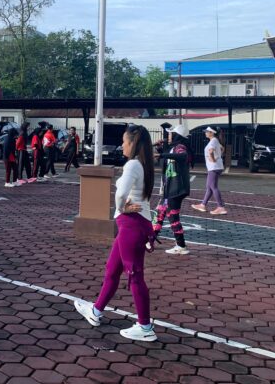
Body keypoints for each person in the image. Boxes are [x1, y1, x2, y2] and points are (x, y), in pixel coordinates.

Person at [74, 125, 158, 342]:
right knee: (112, 269)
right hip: (134, 225)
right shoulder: (143, 164)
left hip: (132, 225)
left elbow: (121, 194)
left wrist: (121, 208)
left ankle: (145, 327)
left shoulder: (133, 164)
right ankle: (96, 311)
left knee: (135, 276)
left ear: (133, 143)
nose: (122, 145)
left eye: (124, 141)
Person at [154, 125, 192, 255]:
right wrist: (160, 149)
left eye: (171, 134)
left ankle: (181, 245)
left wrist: (162, 154)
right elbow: (167, 162)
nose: (168, 136)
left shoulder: (180, 147)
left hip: (176, 188)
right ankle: (151, 239)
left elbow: (183, 156)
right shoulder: (172, 148)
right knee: (160, 212)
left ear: (177, 136)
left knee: (172, 215)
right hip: (169, 188)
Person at [192, 127, 227, 215]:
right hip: (215, 166)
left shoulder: (213, 141)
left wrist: (213, 159)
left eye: (207, 131)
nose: (205, 133)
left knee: (213, 187)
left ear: (212, 132)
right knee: (209, 187)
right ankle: (203, 205)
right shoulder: (215, 141)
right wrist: (218, 156)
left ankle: (221, 207)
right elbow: (222, 148)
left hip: (214, 167)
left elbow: (211, 151)